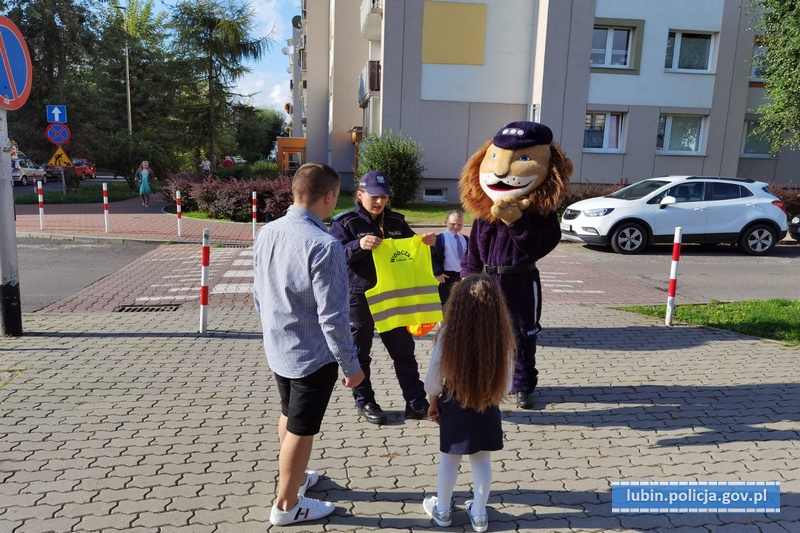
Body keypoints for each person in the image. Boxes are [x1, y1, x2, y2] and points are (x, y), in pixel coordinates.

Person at [253, 162, 365, 526]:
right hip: (312, 357)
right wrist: (351, 366)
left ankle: (298, 478)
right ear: (329, 196)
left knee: (289, 413)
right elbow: (333, 317)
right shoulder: (325, 244)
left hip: (279, 346)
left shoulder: (268, 231)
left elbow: (258, 292)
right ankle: (287, 506)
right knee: (303, 428)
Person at [329, 170, 436, 425]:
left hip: (393, 298)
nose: (379, 202)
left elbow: (413, 248)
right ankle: (365, 401)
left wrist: (427, 242)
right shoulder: (344, 223)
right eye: (374, 197)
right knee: (360, 353)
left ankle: (416, 402)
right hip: (360, 297)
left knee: (404, 352)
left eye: (384, 197)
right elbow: (334, 256)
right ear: (360, 195)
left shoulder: (397, 222)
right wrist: (358, 245)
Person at [422, 274, 515, 533]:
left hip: (454, 401)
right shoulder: (502, 337)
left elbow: (434, 374)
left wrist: (433, 402)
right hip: (486, 403)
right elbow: (507, 383)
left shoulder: (448, 334)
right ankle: (480, 513)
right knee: (482, 460)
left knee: (449, 459)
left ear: (458, 304)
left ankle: (441, 510)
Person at [431, 209, 468, 306]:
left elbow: (470, 256)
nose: (456, 227)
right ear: (446, 222)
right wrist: (438, 273)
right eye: (453, 224)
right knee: (446, 303)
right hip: (446, 276)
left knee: (463, 303)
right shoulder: (439, 239)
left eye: (459, 224)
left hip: (463, 276)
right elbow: (432, 257)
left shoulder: (465, 239)